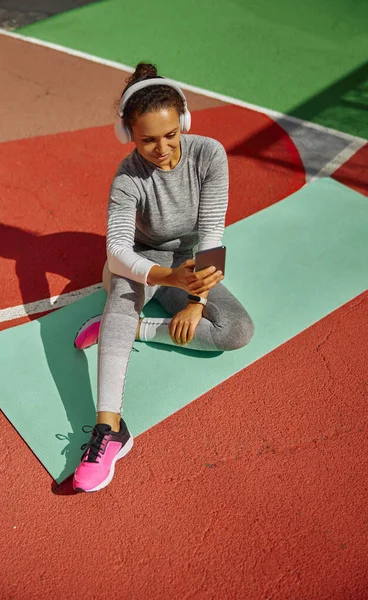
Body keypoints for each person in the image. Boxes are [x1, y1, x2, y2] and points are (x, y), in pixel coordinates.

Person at [72, 62, 254, 493]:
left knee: (237, 331)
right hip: (141, 261)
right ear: (128, 135)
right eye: (147, 139)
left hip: (190, 261)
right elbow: (117, 251)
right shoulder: (127, 179)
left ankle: (135, 327)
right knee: (119, 295)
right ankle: (110, 430)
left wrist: (195, 301)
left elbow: (211, 232)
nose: (162, 148)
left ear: (184, 121)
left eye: (170, 134)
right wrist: (167, 278)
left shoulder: (209, 154)